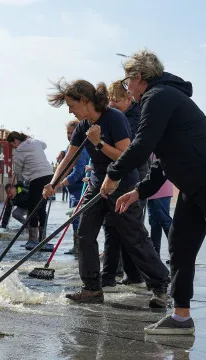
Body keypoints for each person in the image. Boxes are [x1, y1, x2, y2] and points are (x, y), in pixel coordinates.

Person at [104, 49, 206, 348]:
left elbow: (142, 146)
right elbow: (162, 158)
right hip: (195, 179)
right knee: (180, 245)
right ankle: (181, 317)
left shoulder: (159, 97)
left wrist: (114, 173)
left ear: (139, 77)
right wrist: (138, 191)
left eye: (127, 79)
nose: (126, 86)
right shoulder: (159, 97)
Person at [44, 78, 169, 306]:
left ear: (85, 101)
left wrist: (98, 143)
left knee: (133, 236)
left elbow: (125, 156)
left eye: (72, 105)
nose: (70, 111)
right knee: (85, 233)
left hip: (122, 182)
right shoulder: (82, 126)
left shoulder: (115, 118)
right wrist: (53, 182)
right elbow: (69, 159)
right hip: (97, 183)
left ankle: (160, 285)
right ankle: (92, 288)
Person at [107, 79, 150, 285]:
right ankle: (119, 271)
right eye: (110, 103)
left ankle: (140, 274)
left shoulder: (137, 115)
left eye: (116, 102)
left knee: (132, 226)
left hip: (136, 173)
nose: (112, 106)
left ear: (128, 98)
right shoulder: (118, 115)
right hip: (119, 172)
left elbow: (130, 149)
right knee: (115, 225)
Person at [7, 132, 54, 247]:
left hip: (36, 177)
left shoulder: (19, 151)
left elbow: (17, 169)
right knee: (42, 206)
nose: (13, 147)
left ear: (15, 141)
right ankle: (43, 238)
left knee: (33, 208)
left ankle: (33, 240)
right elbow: (45, 145)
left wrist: (20, 180)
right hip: (49, 175)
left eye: (12, 144)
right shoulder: (36, 142)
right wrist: (31, 140)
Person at [55, 120, 90, 256]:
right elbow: (68, 150)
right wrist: (62, 152)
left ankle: (79, 249)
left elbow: (78, 172)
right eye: (68, 133)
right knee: (74, 218)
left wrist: (62, 183)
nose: (69, 135)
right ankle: (78, 247)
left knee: (77, 219)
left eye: (72, 133)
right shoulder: (73, 144)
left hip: (80, 188)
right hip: (73, 190)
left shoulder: (81, 148)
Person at [146, 154, 173, 259]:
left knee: (165, 221)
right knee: (153, 222)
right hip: (150, 188)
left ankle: (177, 253)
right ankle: (155, 255)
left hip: (162, 188)